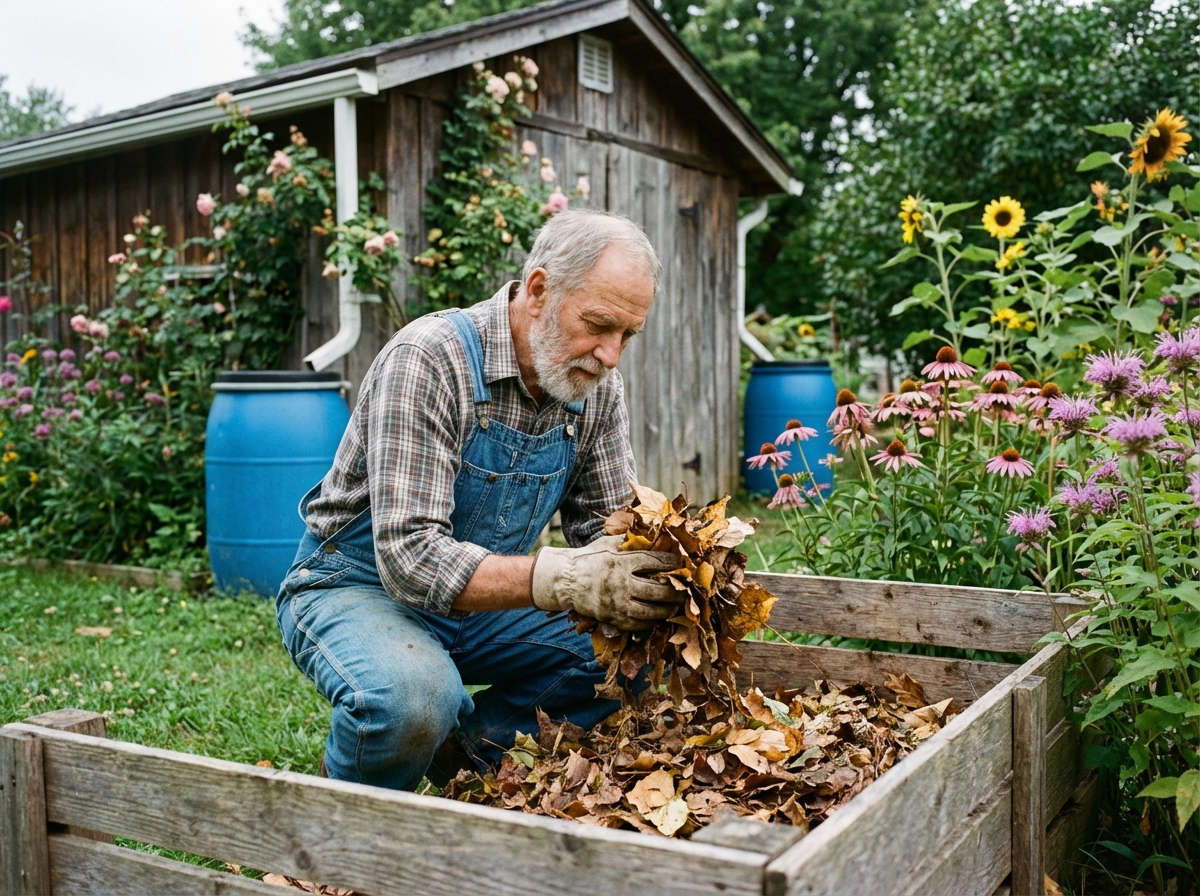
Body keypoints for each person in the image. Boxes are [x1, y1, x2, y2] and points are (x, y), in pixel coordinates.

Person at [275, 209, 681, 790]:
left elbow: (603, 529)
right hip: (360, 588)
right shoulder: (430, 358)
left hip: (483, 606)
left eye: (627, 335)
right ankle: (337, 842)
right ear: (539, 290)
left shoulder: (594, 386)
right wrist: (563, 579)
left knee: (634, 650)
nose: (611, 354)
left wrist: (662, 561)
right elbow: (410, 559)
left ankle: (462, 762)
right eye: (598, 324)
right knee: (415, 700)